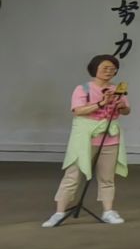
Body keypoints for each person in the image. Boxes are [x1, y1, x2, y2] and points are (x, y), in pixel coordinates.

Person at [46, 53, 129, 225]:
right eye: (105, 68)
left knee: (107, 177)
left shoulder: (118, 89)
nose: (109, 71)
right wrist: (101, 103)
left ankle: (108, 211)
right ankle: (59, 212)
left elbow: (126, 110)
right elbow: (78, 111)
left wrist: (122, 106)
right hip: (85, 138)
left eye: (113, 69)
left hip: (110, 137)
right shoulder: (83, 89)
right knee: (73, 175)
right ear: (94, 69)